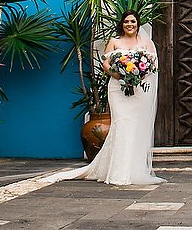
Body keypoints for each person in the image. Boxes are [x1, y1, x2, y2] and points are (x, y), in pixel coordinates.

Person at [42, 10, 164, 186]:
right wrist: (120, 75)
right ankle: (118, 172)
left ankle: (134, 169)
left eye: (133, 21)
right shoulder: (115, 41)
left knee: (135, 128)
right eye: (126, 22)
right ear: (122, 24)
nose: (130, 24)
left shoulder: (147, 43)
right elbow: (106, 63)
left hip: (138, 91)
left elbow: (152, 67)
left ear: (138, 23)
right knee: (121, 124)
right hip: (118, 89)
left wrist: (137, 76)